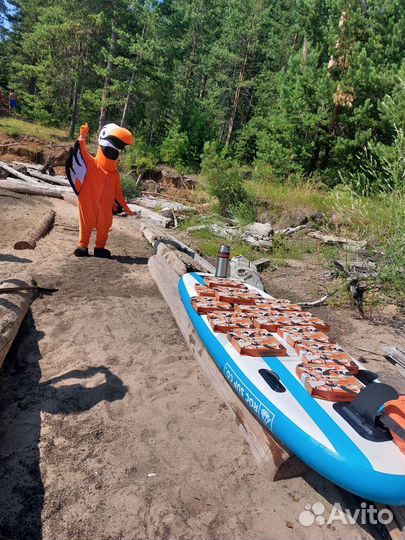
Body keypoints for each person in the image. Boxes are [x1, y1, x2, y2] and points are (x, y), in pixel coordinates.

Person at [65, 122, 134, 258]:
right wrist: (82, 137)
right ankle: (83, 245)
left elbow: (118, 192)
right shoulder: (91, 163)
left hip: (105, 207)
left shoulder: (115, 175)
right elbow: (82, 151)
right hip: (87, 201)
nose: (113, 152)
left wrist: (125, 207)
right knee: (86, 222)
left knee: (104, 225)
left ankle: (100, 247)